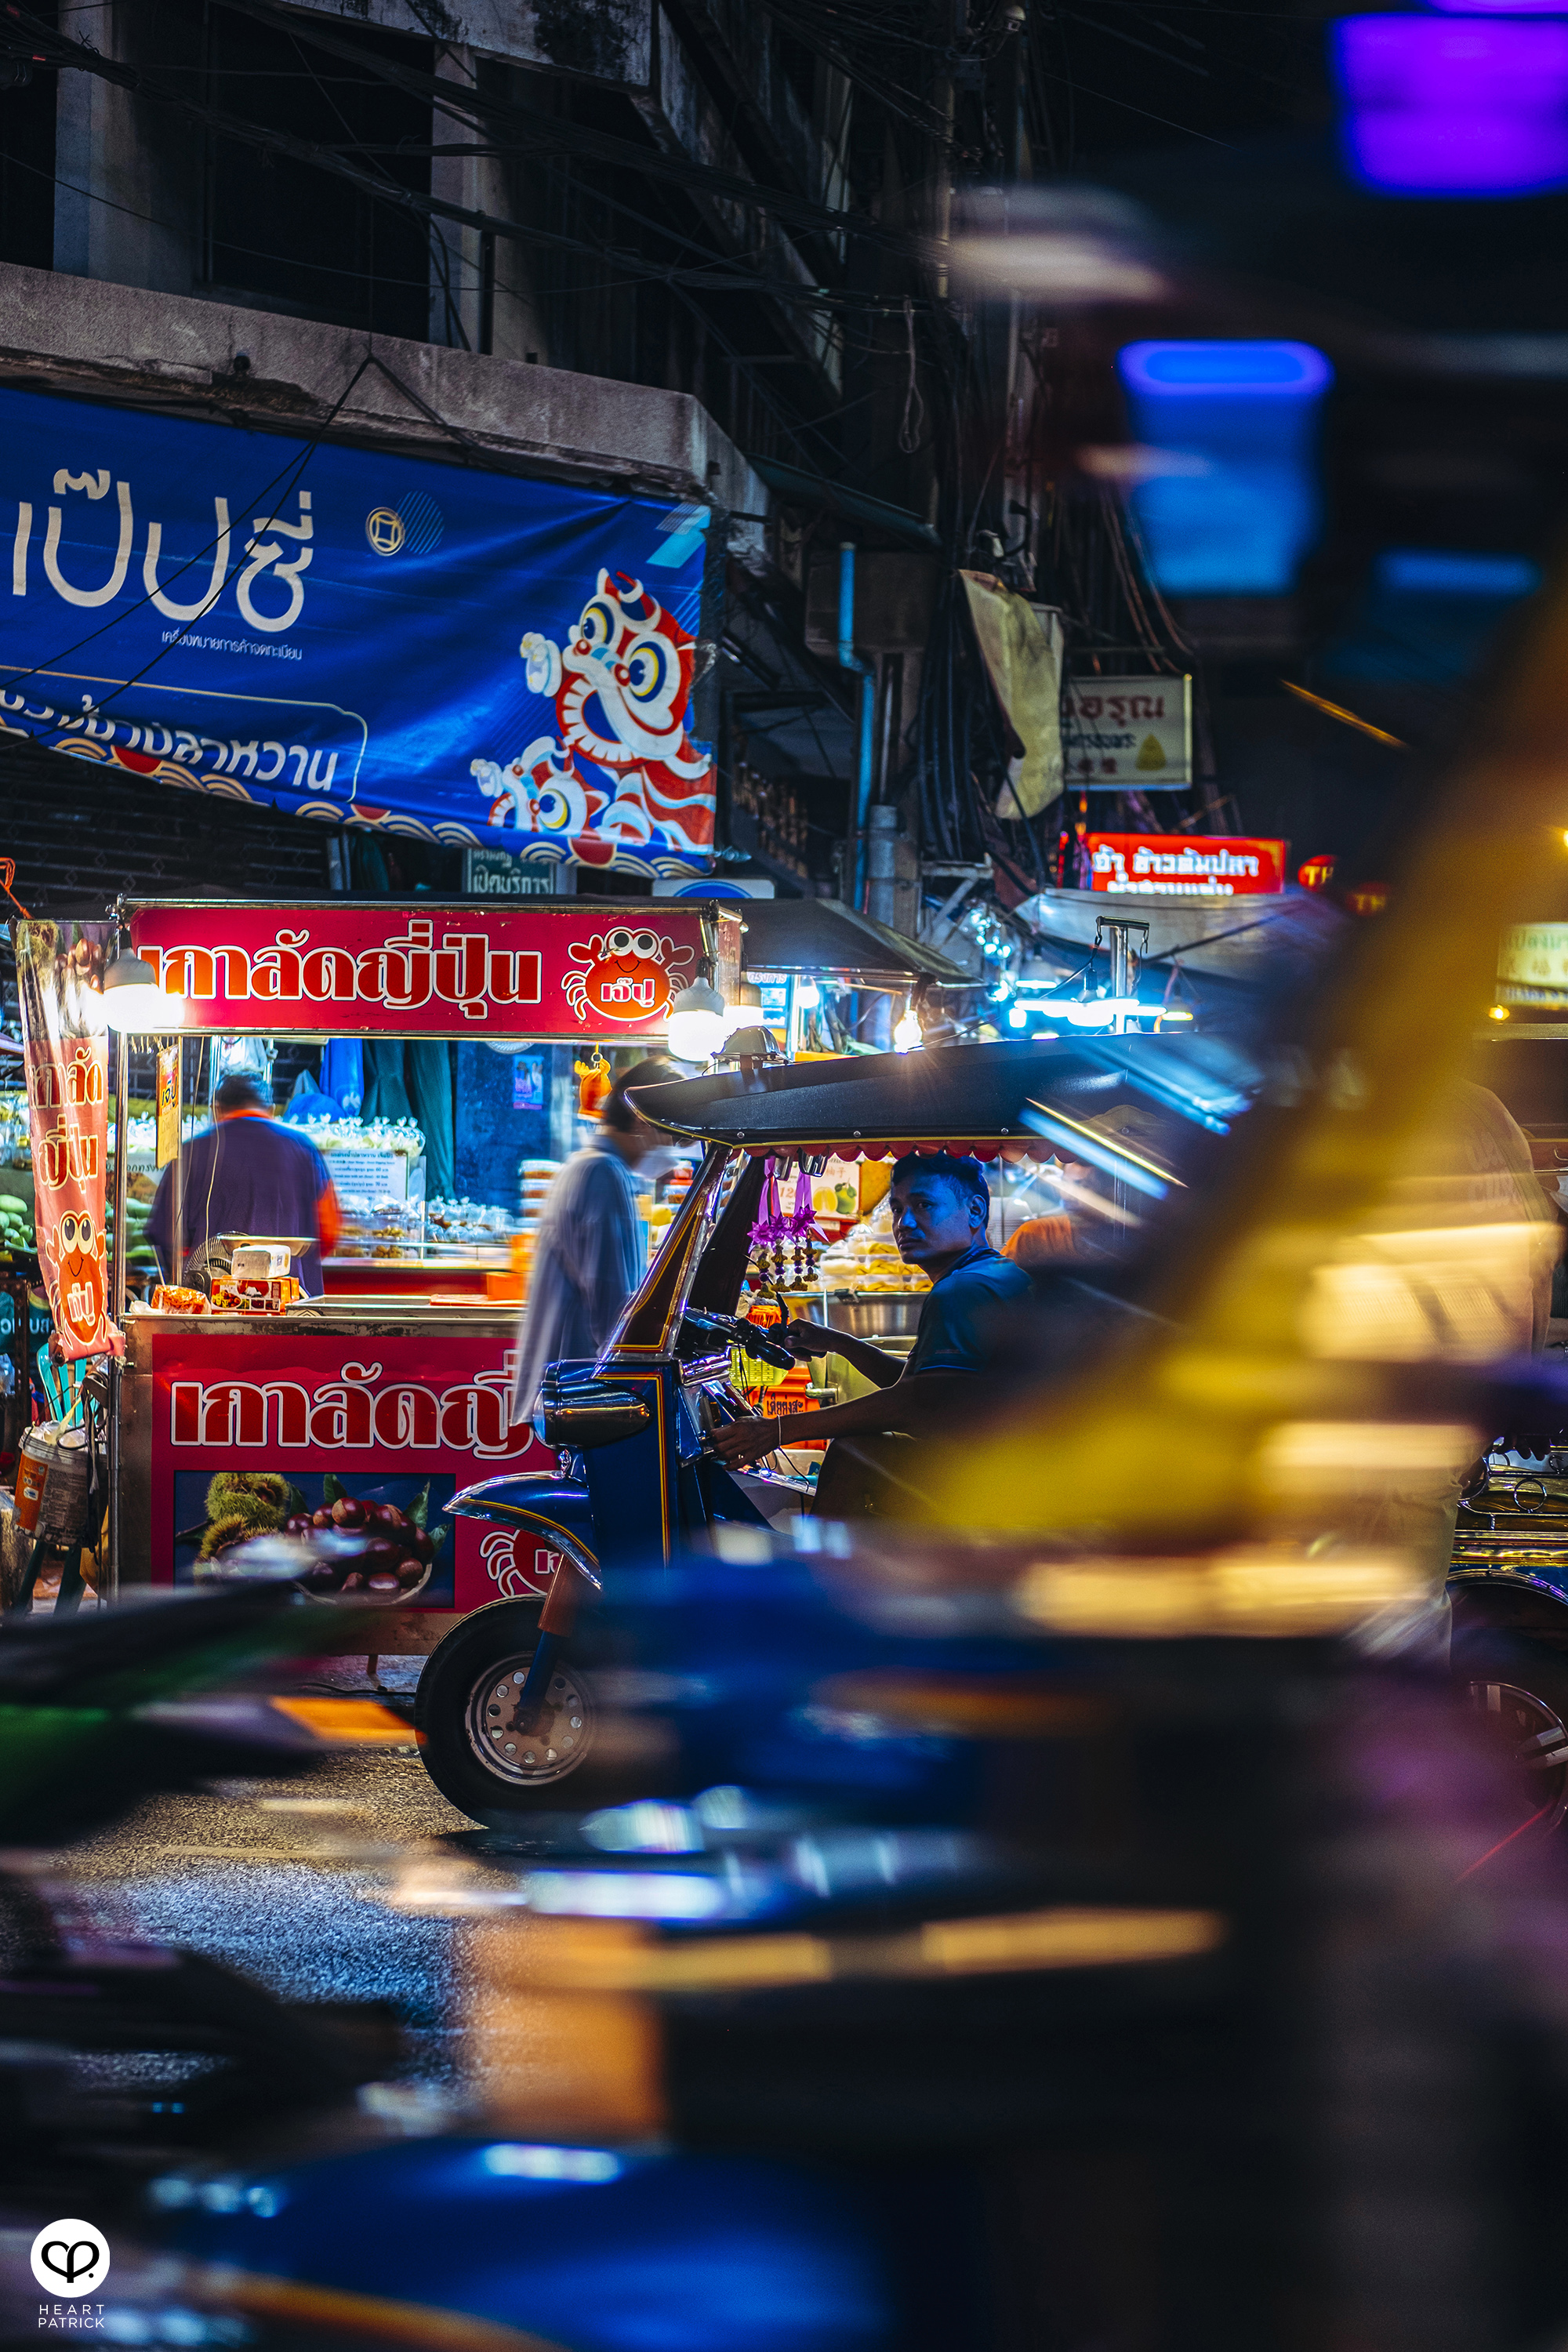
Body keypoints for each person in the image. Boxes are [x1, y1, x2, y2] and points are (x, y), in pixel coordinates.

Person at [710, 1153, 1031, 1490]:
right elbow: (921, 1386)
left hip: (999, 1482)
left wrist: (775, 1430)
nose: (904, 1224)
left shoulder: (962, 1290)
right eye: (897, 1209)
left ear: (975, 1211)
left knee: (853, 1454)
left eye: (923, 1205)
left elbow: (911, 1403)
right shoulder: (993, 1275)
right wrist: (838, 1343)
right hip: (1009, 1469)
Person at [510, 1056, 681, 1425]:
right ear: (643, 1121)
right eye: (672, 1132)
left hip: (569, 1388)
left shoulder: (591, 1165)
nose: (674, 1151)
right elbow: (612, 1303)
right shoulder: (604, 1174)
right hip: (582, 1393)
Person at [147, 1072, 343, 1297]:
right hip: (289, 1303)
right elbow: (328, 1232)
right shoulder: (303, 1149)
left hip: (213, 1306)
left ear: (217, 1109)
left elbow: (166, 1236)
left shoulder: (192, 1152)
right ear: (270, 1110)